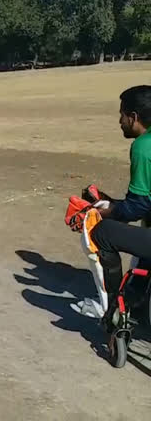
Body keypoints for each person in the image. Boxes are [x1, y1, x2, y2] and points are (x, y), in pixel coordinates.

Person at [72, 86, 151, 322]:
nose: (120, 121)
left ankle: (114, 307)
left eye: (122, 115)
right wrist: (111, 203)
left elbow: (138, 207)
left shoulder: (143, 147)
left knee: (101, 232)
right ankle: (138, 292)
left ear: (134, 117)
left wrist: (100, 212)